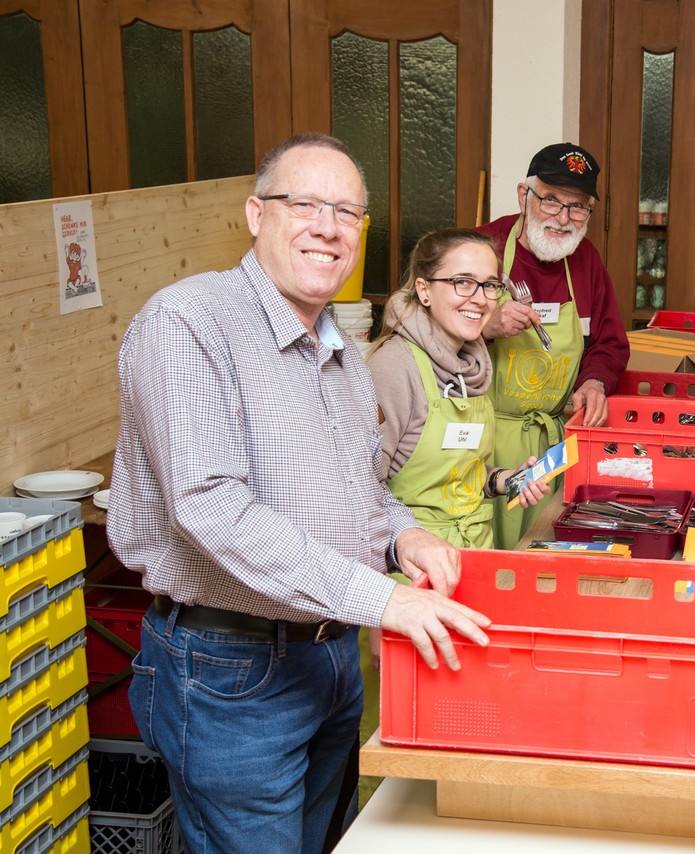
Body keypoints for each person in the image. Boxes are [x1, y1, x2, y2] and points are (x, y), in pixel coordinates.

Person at [107, 133, 492, 854]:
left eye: (347, 212)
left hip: (330, 657)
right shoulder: (188, 322)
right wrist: (382, 600)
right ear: (256, 214)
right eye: (305, 204)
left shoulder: (339, 347)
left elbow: (360, 487)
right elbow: (211, 507)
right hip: (230, 671)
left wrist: (402, 534)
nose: (328, 227)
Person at [477, 142, 629, 549]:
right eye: (551, 200)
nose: (563, 218)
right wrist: (484, 326)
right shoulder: (480, 249)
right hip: (482, 443)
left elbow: (609, 343)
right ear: (523, 195)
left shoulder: (587, 262)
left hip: (556, 445)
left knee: (543, 552)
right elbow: (424, 332)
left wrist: (595, 381)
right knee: (485, 556)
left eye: (577, 207)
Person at [366, 227, 550, 549]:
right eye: (462, 282)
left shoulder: (471, 364)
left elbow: (455, 474)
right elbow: (361, 488)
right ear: (424, 290)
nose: (479, 299)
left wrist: (504, 480)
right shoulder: (395, 367)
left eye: (489, 285)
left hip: (475, 552)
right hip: (411, 563)